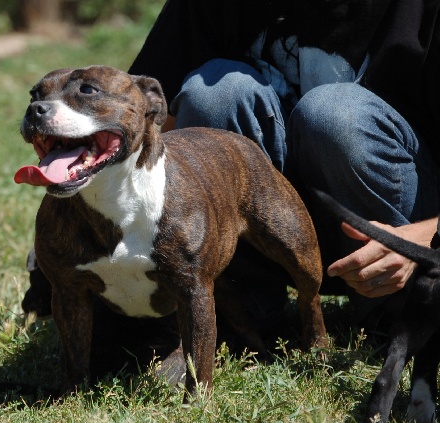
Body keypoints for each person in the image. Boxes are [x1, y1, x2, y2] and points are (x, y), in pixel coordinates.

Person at [127, 0, 440, 335]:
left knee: (333, 116)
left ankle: (399, 311)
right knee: (215, 93)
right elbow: (153, 136)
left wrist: (418, 241)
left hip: (399, 233)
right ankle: (238, 313)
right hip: (271, 224)